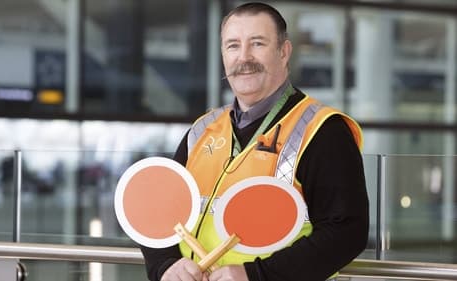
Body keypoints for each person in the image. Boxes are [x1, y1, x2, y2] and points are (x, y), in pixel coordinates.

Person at [140, 2, 369, 281]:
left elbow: (347, 232)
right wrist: (165, 265)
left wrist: (255, 276)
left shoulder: (323, 131)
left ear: (283, 52)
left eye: (257, 43)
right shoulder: (203, 130)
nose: (243, 57)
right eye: (233, 46)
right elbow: (158, 213)